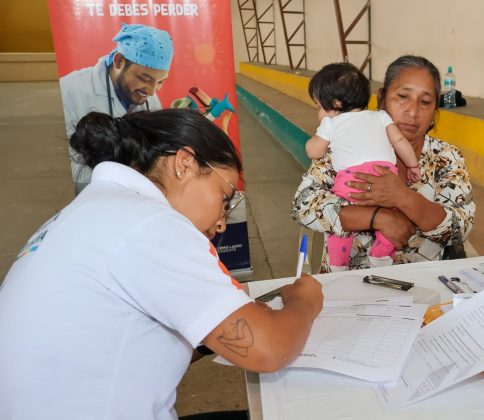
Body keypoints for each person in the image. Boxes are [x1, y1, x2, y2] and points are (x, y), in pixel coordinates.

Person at [0, 109, 323, 420]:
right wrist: (304, 301)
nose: (223, 223)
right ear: (185, 163)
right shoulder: (151, 223)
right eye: (225, 197)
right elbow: (268, 350)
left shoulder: (94, 209)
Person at [292, 55, 475, 272]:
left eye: (425, 102)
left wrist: (403, 197)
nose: (412, 112)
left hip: (421, 283)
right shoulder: (341, 146)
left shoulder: (446, 156)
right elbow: (302, 206)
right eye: (402, 97)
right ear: (381, 99)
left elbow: (459, 228)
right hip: (348, 285)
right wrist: (378, 218)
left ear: (435, 112)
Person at [304, 62, 422, 271]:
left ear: (336, 104)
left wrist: (316, 137)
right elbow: (400, 142)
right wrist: (412, 165)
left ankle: (338, 264)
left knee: (342, 223)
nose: (319, 112)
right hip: (385, 176)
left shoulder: (331, 123)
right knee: (394, 212)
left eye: (319, 106)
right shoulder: (381, 116)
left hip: (351, 181)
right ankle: (382, 253)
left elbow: (315, 152)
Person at [59, 22, 174, 194]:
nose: (151, 91)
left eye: (160, 82)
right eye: (145, 78)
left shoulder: (150, 98)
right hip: (88, 193)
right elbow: (66, 164)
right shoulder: (70, 90)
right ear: (119, 61)